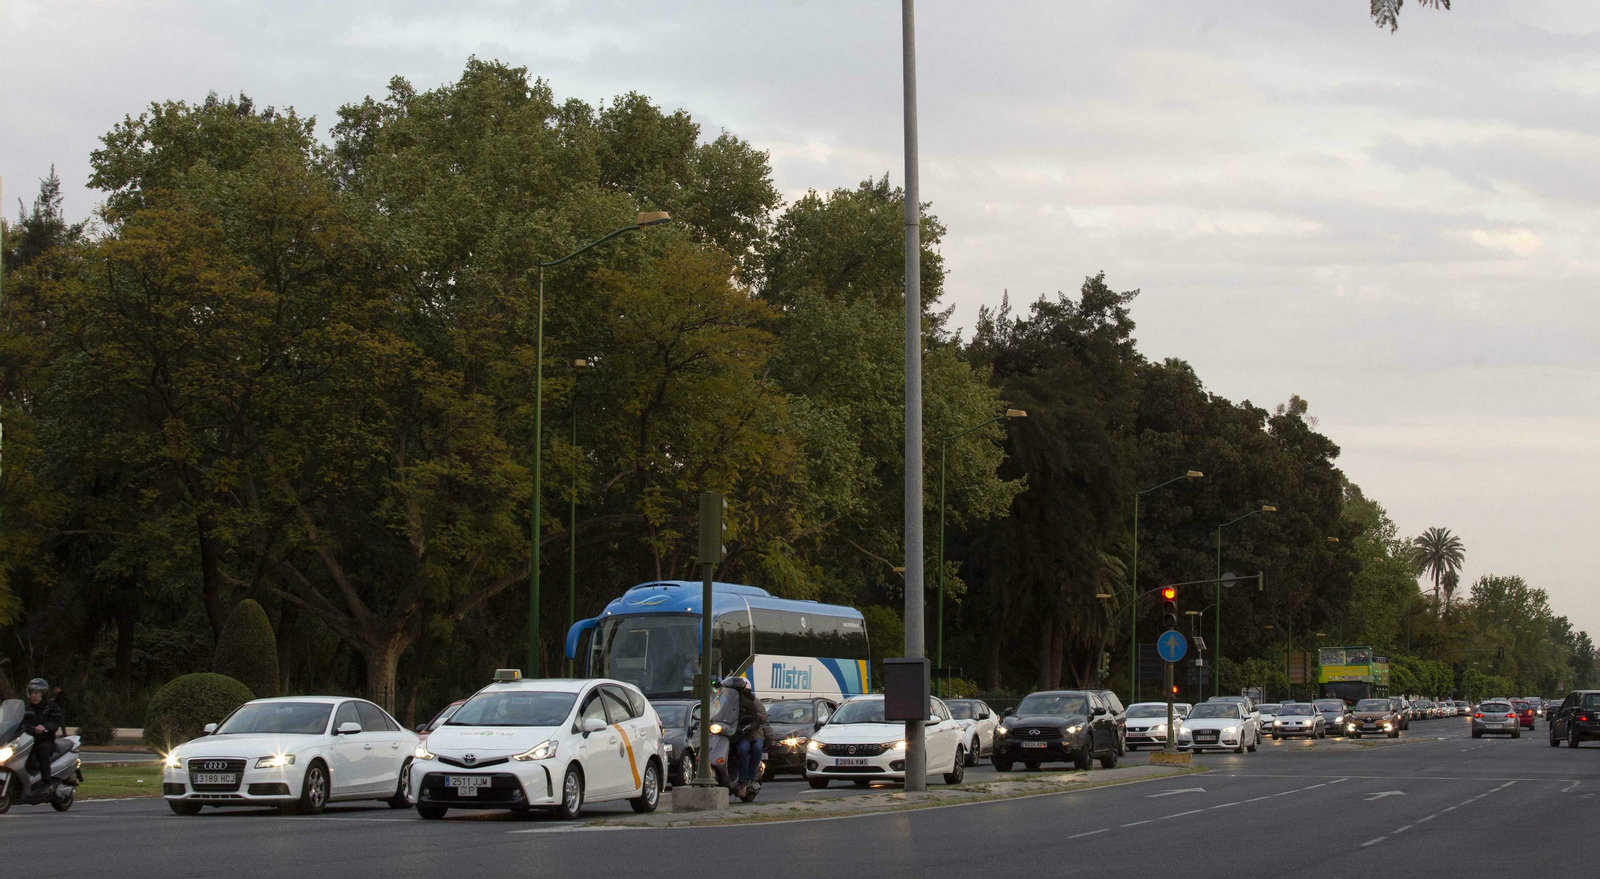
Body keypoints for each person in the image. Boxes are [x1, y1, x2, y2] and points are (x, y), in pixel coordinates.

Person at [726, 677, 767, 798]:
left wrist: (749, 726)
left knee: (753, 748)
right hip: (735, 734)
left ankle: (747, 779)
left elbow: (759, 719)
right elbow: (719, 714)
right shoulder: (727, 704)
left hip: (750, 734)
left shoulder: (752, 703)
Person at [23, 678, 64, 791]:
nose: (34, 696)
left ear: (43, 694)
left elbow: (55, 722)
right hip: (27, 740)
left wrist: (45, 727)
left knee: (42, 750)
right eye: (32, 693)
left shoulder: (52, 707)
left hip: (44, 739)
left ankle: (47, 782)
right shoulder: (26, 708)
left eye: (37, 693)